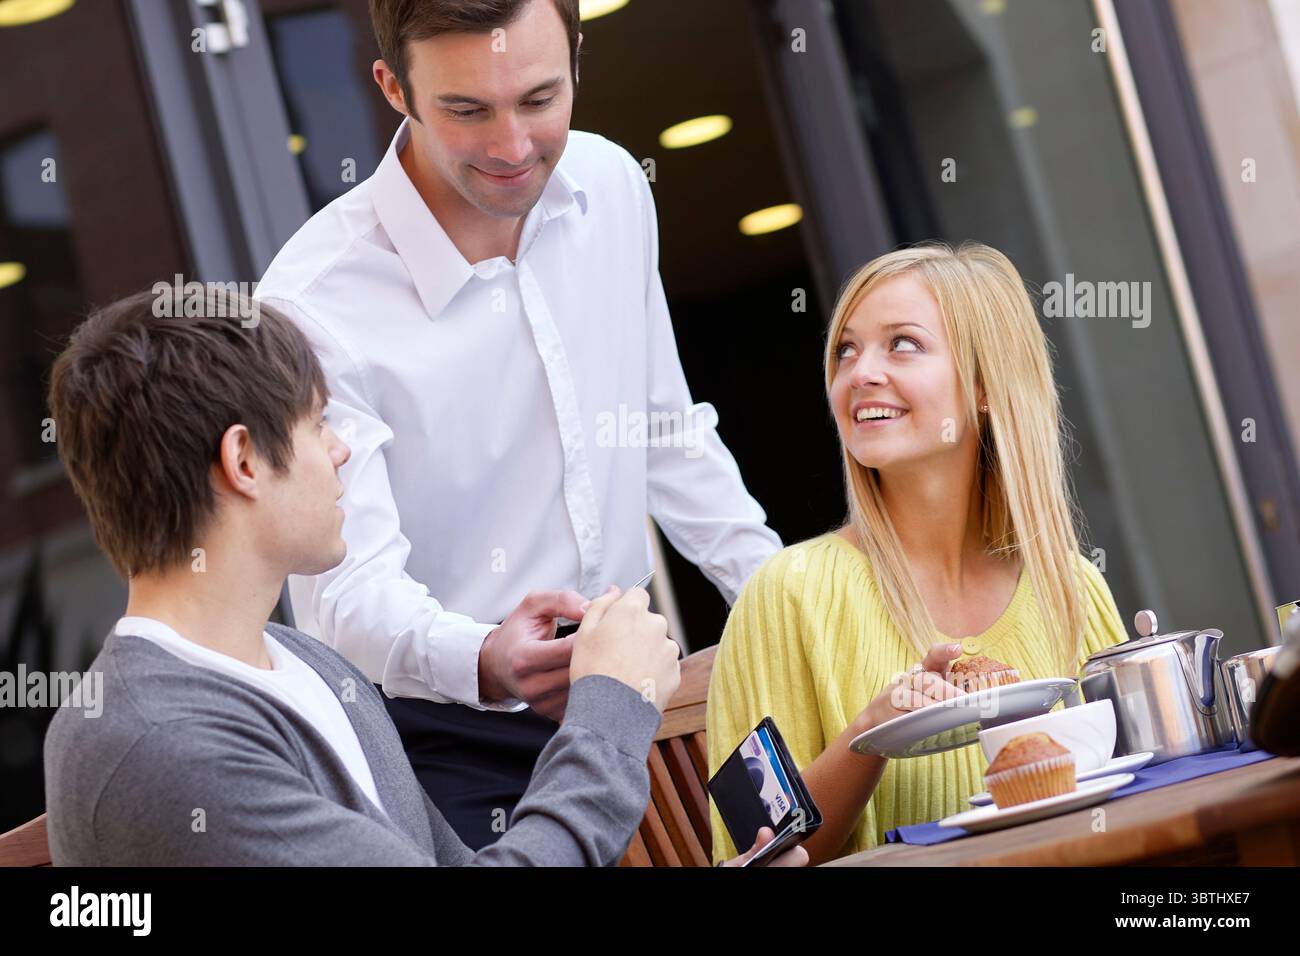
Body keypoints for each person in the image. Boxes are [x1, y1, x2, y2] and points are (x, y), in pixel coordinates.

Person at [255, 0, 780, 848]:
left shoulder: (610, 185)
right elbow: (344, 595)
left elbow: (663, 430)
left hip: (646, 694)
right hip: (448, 746)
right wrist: (487, 657)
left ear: (577, 57)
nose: (511, 147)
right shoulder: (313, 301)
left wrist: (781, 597)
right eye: (467, 111)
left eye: (540, 100)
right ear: (394, 87)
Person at [41, 289, 801, 866]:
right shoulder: (156, 745)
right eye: (317, 425)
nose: (341, 452)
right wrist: (611, 709)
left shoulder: (306, 664)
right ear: (243, 461)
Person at [706, 242, 1129, 864]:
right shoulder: (787, 594)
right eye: (846, 350)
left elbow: (1139, 793)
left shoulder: (1070, 585)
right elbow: (754, 854)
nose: (860, 373)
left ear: (984, 386)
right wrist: (871, 732)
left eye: (901, 343)